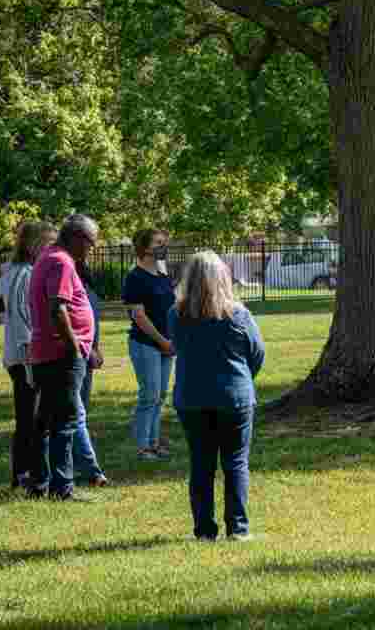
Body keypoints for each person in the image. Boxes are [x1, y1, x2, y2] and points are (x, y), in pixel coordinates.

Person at [170, 251, 265, 541]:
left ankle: (204, 530)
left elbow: (177, 346)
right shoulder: (239, 314)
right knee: (235, 462)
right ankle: (238, 528)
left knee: (201, 463)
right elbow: (256, 353)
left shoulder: (176, 314)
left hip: (192, 398)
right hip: (234, 396)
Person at [26, 214, 100, 500]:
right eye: (91, 243)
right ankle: (62, 487)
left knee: (45, 420)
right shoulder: (61, 261)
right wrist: (74, 347)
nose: (91, 249)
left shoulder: (48, 255)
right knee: (65, 421)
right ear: (77, 238)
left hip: (47, 352)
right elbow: (58, 308)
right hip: (61, 353)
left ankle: (39, 483)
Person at [0, 221, 56, 490]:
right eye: (48, 243)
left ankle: (22, 473)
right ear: (35, 245)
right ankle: (28, 474)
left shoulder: (18, 272)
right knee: (31, 419)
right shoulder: (24, 274)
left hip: (21, 355)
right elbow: (23, 320)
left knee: (27, 418)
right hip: (25, 357)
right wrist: (33, 353)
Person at [123, 227, 177, 460]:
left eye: (164, 242)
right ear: (145, 248)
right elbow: (139, 316)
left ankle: (154, 443)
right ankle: (142, 446)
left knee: (161, 395)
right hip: (146, 344)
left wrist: (172, 339)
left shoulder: (163, 276)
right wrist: (161, 341)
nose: (163, 247)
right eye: (158, 243)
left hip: (168, 344)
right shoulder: (134, 277)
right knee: (150, 394)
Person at [72, 260, 109, 487]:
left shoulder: (88, 291)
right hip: (74, 356)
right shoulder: (78, 291)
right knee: (76, 414)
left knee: (79, 411)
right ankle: (90, 470)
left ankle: (78, 465)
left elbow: (91, 322)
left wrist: (95, 347)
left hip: (85, 354)